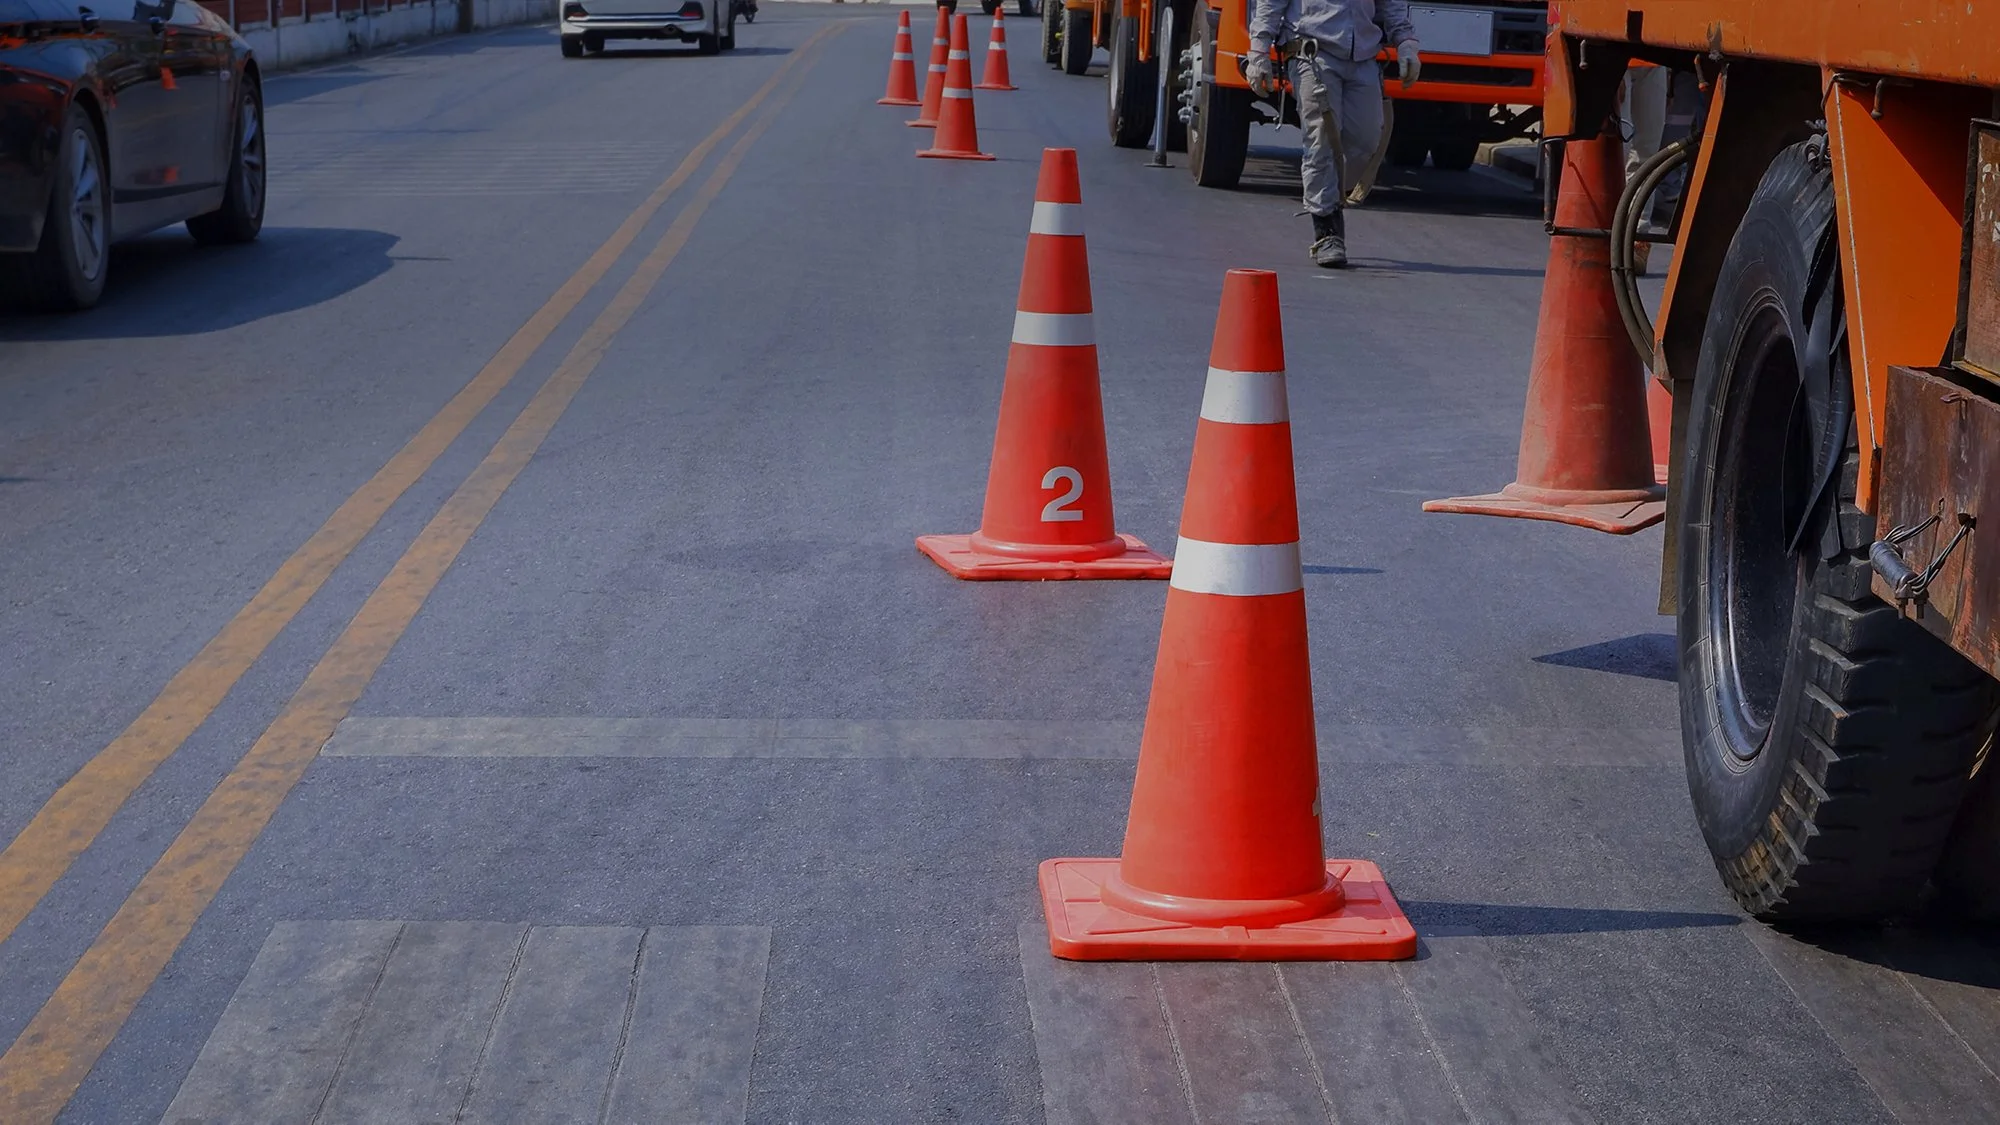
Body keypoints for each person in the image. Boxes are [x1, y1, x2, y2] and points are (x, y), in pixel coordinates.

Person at [1246, 0, 1420, 268]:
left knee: (1367, 138)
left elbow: (1391, 2)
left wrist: (1405, 41)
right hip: (1312, 53)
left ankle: (1332, 194)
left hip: (1362, 56)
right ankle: (1326, 231)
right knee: (1321, 141)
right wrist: (1258, 52)